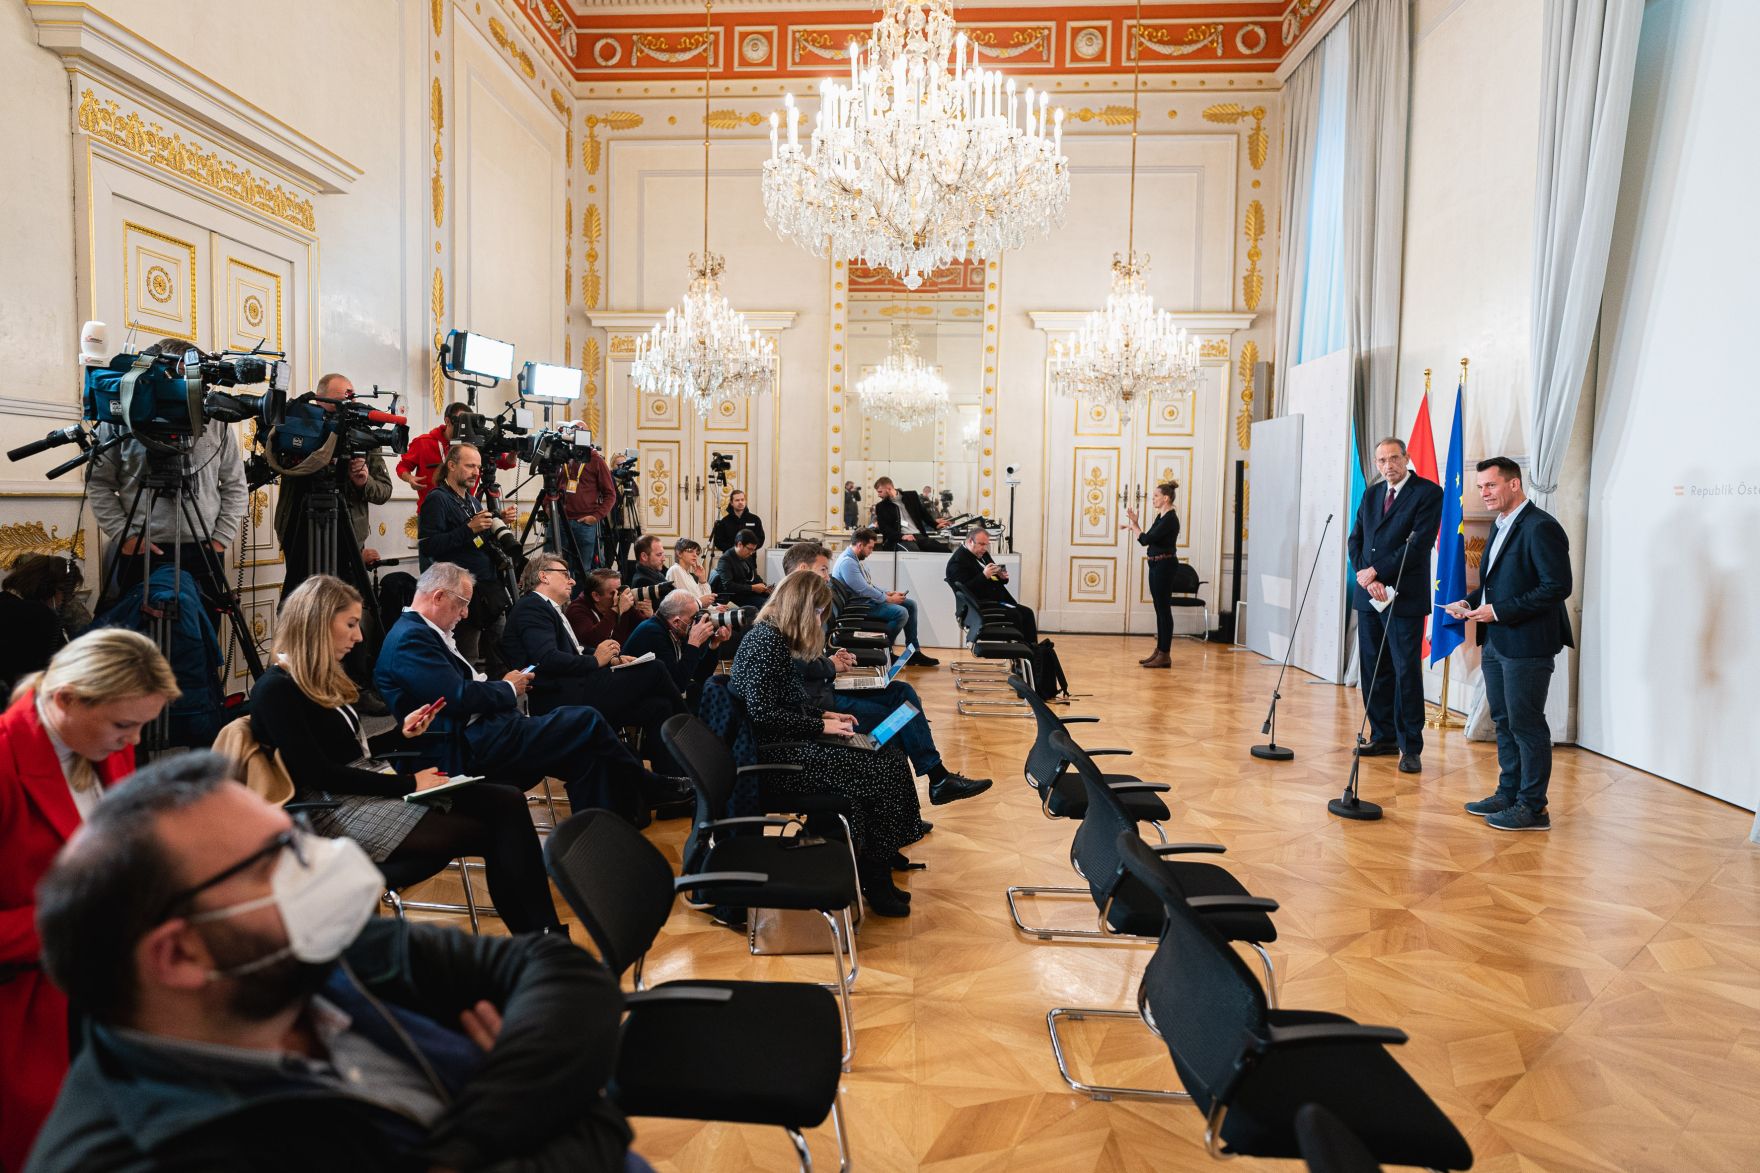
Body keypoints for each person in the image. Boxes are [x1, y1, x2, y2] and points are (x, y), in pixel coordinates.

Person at [29, 752, 643, 1172]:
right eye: (276, 858)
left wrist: (469, 1144)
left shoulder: (316, 958)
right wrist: (578, 1111)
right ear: (180, 952)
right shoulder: (153, 1152)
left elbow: (560, 971)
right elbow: (600, 1124)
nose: (319, 860)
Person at [250, 576, 563, 933]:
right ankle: (542, 941)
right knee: (495, 825)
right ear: (318, 621)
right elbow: (319, 774)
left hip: (362, 793)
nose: (359, 636)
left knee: (506, 800)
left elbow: (350, 753)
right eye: (351, 624)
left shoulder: (318, 680)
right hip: (334, 812)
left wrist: (401, 734)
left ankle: (544, 937)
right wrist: (409, 782)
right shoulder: (276, 689)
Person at [0, 628, 178, 1170]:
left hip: (94, 987)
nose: (133, 742)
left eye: (142, 726)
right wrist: (81, 917)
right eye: (125, 725)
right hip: (24, 1003)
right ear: (66, 699)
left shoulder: (100, 741)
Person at [375, 562, 676, 826]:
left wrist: (501, 686)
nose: (466, 613)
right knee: (587, 719)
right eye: (462, 603)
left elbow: (460, 691)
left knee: (586, 754)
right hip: (468, 748)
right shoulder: (410, 638)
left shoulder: (421, 633)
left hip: (490, 731)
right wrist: (507, 687)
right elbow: (459, 696)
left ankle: (604, 835)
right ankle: (650, 787)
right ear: (438, 597)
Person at [730, 571, 924, 917]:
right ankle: (874, 872)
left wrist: (827, 720)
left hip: (790, 746)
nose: (821, 620)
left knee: (888, 756)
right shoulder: (766, 642)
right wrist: (819, 723)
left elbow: (785, 703)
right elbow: (763, 715)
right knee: (883, 767)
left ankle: (873, 863)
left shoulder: (773, 638)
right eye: (820, 612)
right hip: (779, 760)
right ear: (805, 609)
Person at [790, 543, 986, 804]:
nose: (829, 576)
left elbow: (809, 659)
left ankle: (935, 781)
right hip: (822, 703)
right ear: (803, 569)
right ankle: (935, 782)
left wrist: (832, 659)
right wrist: (830, 665)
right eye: (824, 570)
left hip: (827, 687)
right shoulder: (793, 610)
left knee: (902, 692)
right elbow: (798, 666)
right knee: (902, 719)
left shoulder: (809, 604)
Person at [1444, 457, 1573, 832]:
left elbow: (1556, 587)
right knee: (1502, 720)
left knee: (1526, 724)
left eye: (1491, 485)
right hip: (1497, 642)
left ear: (1514, 485)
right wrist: (1471, 602)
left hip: (1528, 644)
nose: (1483, 492)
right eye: (1481, 486)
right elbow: (1496, 585)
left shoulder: (1541, 527)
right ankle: (1508, 792)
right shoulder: (1500, 526)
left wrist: (1498, 611)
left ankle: (1533, 808)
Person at [501, 556, 691, 791]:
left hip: (577, 688)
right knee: (655, 669)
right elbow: (547, 659)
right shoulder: (532, 607)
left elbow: (575, 650)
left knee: (658, 706)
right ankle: (692, 738)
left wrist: (612, 658)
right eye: (565, 574)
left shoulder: (548, 608)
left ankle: (675, 786)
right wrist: (595, 660)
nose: (571, 581)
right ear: (543, 576)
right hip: (563, 698)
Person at [87, 338, 248, 613]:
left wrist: (221, 538)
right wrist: (124, 537)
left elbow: (235, 484)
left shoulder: (216, 419)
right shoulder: (121, 414)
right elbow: (99, 484)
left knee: (199, 644)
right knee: (140, 648)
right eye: (186, 376)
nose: (194, 388)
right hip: (142, 550)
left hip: (204, 550)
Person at [1347, 438, 1444, 774]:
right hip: (1369, 595)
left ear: (1407, 458)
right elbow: (1355, 539)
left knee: (1405, 670)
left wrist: (1379, 571)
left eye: (1393, 458)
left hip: (1403, 595)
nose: (1388, 465)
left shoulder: (1428, 493)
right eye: (1381, 460)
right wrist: (1366, 577)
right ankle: (1383, 735)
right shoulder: (1372, 493)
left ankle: (1410, 745)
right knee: (1373, 669)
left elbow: (1418, 545)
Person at [273, 373, 394, 589]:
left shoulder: (361, 435)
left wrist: (363, 482)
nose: (346, 408)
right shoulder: (298, 428)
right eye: (339, 401)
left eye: (351, 400)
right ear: (320, 400)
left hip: (347, 539)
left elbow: (384, 490)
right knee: (302, 602)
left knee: (343, 606)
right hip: (299, 532)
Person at [417, 443, 518, 671]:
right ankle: (466, 701)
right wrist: (469, 529)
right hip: (460, 594)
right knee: (465, 657)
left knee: (501, 653)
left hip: (487, 588)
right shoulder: (437, 499)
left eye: (479, 467)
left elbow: (475, 537)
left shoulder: (471, 500)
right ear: (451, 466)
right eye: (470, 466)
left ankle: (502, 696)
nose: (476, 473)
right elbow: (429, 546)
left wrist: (496, 519)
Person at [831, 528, 940, 667]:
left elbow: (867, 585)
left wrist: (888, 593)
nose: (871, 551)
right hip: (858, 608)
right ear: (860, 545)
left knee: (910, 604)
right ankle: (885, 649)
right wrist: (888, 599)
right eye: (870, 548)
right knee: (901, 613)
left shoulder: (854, 559)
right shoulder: (848, 563)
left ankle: (914, 652)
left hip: (864, 602)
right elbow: (863, 590)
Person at [395, 400, 516, 510]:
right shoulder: (423, 442)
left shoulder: (476, 446)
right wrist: (410, 478)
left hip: (464, 510)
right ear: (447, 421)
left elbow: (507, 463)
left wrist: (514, 448)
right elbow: (402, 467)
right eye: (462, 422)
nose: (466, 428)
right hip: (432, 510)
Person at [623, 589, 729, 708]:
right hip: (636, 699)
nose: (696, 622)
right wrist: (693, 644)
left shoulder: (674, 630)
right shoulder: (652, 633)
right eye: (693, 618)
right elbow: (678, 684)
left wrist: (714, 645)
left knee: (704, 690)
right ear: (677, 622)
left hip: (660, 691)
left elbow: (700, 675)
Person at [0, 554, 84, 692]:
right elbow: (67, 668)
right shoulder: (40, 616)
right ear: (49, 589)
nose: (68, 600)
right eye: (68, 593)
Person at [1123, 480, 1183, 669]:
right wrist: (1135, 523)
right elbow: (1149, 537)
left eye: (1156, 496)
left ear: (1166, 498)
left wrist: (1134, 528)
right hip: (1157, 565)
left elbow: (1145, 539)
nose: (1153, 500)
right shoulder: (1161, 517)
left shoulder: (1170, 519)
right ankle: (1159, 651)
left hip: (1165, 565)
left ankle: (1165, 654)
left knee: (1163, 609)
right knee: (1159, 608)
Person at [946, 528, 1036, 642]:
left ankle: (1032, 651)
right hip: (980, 606)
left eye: (986, 545)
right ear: (970, 541)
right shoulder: (958, 561)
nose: (984, 548)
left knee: (1028, 613)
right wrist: (984, 576)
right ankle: (1021, 651)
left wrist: (1001, 577)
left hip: (997, 601)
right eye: (981, 544)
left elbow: (992, 575)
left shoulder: (983, 554)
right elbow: (965, 591)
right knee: (1016, 615)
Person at [555, 443, 617, 584]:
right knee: (553, 567)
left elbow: (610, 494)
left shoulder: (596, 460)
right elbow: (552, 484)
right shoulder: (562, 457)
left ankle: (578, 604)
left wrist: (596, 517)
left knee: (582, 570)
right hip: (559, 521)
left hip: (584, 524)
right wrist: (548, 507)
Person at [566, 568, 651, 649]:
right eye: (613, 593)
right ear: (596, 596)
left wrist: (649, 617)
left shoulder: (622, 603)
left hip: (623, 657)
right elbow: (591, 642)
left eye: (620, 590)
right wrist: (616, 611)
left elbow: (644, 631)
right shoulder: (577, 610)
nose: (618, 596)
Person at [873, 476, 951, 550]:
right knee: (913, 552)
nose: (878, 495)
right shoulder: (881, 507)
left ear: (889, 488)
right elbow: (884, 529)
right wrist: (902, 536)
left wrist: (935, 525)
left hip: (919, 535)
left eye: (880, 492)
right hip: (900, 538)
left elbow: (923, 513)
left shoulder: (911, 496)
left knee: (945, 550)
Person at [710, 529, 769, 607]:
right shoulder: (725, 560)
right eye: (750, 549)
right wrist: (752, 588)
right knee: (768, 605)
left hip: (749, 593)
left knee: (775, 599)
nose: (751, 553)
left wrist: (764, 586)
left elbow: (755, 577)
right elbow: (728, 586)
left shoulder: (747, 556)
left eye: (753, 550)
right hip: (737, 596)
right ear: (740, 544)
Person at [709, 489, 764, 554]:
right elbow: (718, 542)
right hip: (729, 558)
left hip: (749, 558)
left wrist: (748, 549)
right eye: (737, 500)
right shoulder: (724, 521)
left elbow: (760, 538)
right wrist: (735, 550)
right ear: (731, 503)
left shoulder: (755, 519)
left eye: (742, 500)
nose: (740, 502)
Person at [666, 537, 716, 603]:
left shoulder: (689, 575)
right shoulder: (675, 570)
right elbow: (689, 603)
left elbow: (706, 600)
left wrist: (702, 579)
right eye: (690, 551)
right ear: (679, 553)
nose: (695, 555)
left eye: (697, 552)